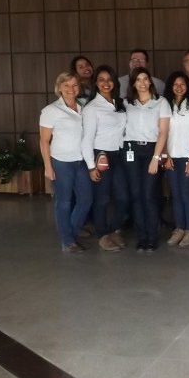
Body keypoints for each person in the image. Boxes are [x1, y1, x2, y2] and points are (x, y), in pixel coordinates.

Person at [40, 72, 94, 253]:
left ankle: (70, 233)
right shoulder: (51, 110)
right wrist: (48, 166)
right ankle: (68, 241)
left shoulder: (84, 106)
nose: (71, 89)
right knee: (63, 202)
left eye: (75, 85)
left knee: (86, 199)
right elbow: (44, 141)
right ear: (59, 88)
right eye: (67, 85)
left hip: (81, 160)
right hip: (61, 162)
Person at [122, 67, 170, 252]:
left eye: (145, 79)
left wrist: (156, 157)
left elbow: (163, 131)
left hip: (151, 149)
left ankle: (152, 236)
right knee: (136, 195)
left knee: (149, 195)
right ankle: (141, 236)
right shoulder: (127, 103)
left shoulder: (161, 102)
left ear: (150, 81)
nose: (142, 83)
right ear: (133, 83)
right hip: (130, 150)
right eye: (138, 80)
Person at [81, 65, 128, 252]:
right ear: (95, 83)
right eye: (101, 79)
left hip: (119, 155)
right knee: (102, 198)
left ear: (114, 82)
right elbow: (87, 139)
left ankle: (114, 230)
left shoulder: (120, 103)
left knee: (123, 197)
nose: (106, 83)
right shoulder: (92, 108)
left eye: (109, 79)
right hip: (101, 155)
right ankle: (102, 235)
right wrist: (91, 167)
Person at [163, 71, 189, 248]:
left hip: (188, 157)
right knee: (176, 194)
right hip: (171, 158)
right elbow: (162, 133)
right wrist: (165, 155)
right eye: (175, 84)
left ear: (188, 86)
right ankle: (179, 228)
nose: (179, 87)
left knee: (186, 194)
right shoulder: (165, 106)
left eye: (182, 84)